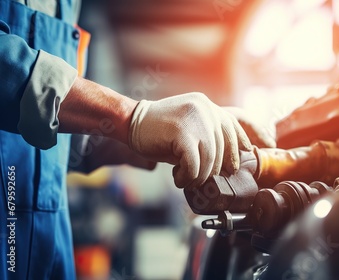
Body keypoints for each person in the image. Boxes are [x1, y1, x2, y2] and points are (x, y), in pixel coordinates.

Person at [0, 0, 274, 278]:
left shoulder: (69, 5)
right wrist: (129, 116)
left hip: (45, 255)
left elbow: (52, 141)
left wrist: (158, 133)